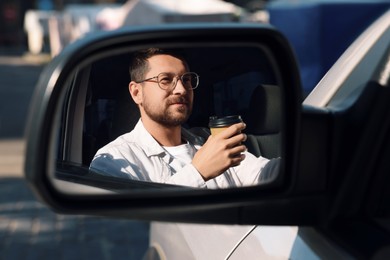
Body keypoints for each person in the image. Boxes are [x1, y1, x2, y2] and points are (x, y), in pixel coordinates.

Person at [90, 48, 280, 188]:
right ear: (136, 92)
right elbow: (134, 226)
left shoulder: (208, 139)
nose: (181, 89)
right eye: (165, 80)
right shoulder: (114, 160)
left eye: (186, 80)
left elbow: (262, 173)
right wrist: (198, 172)